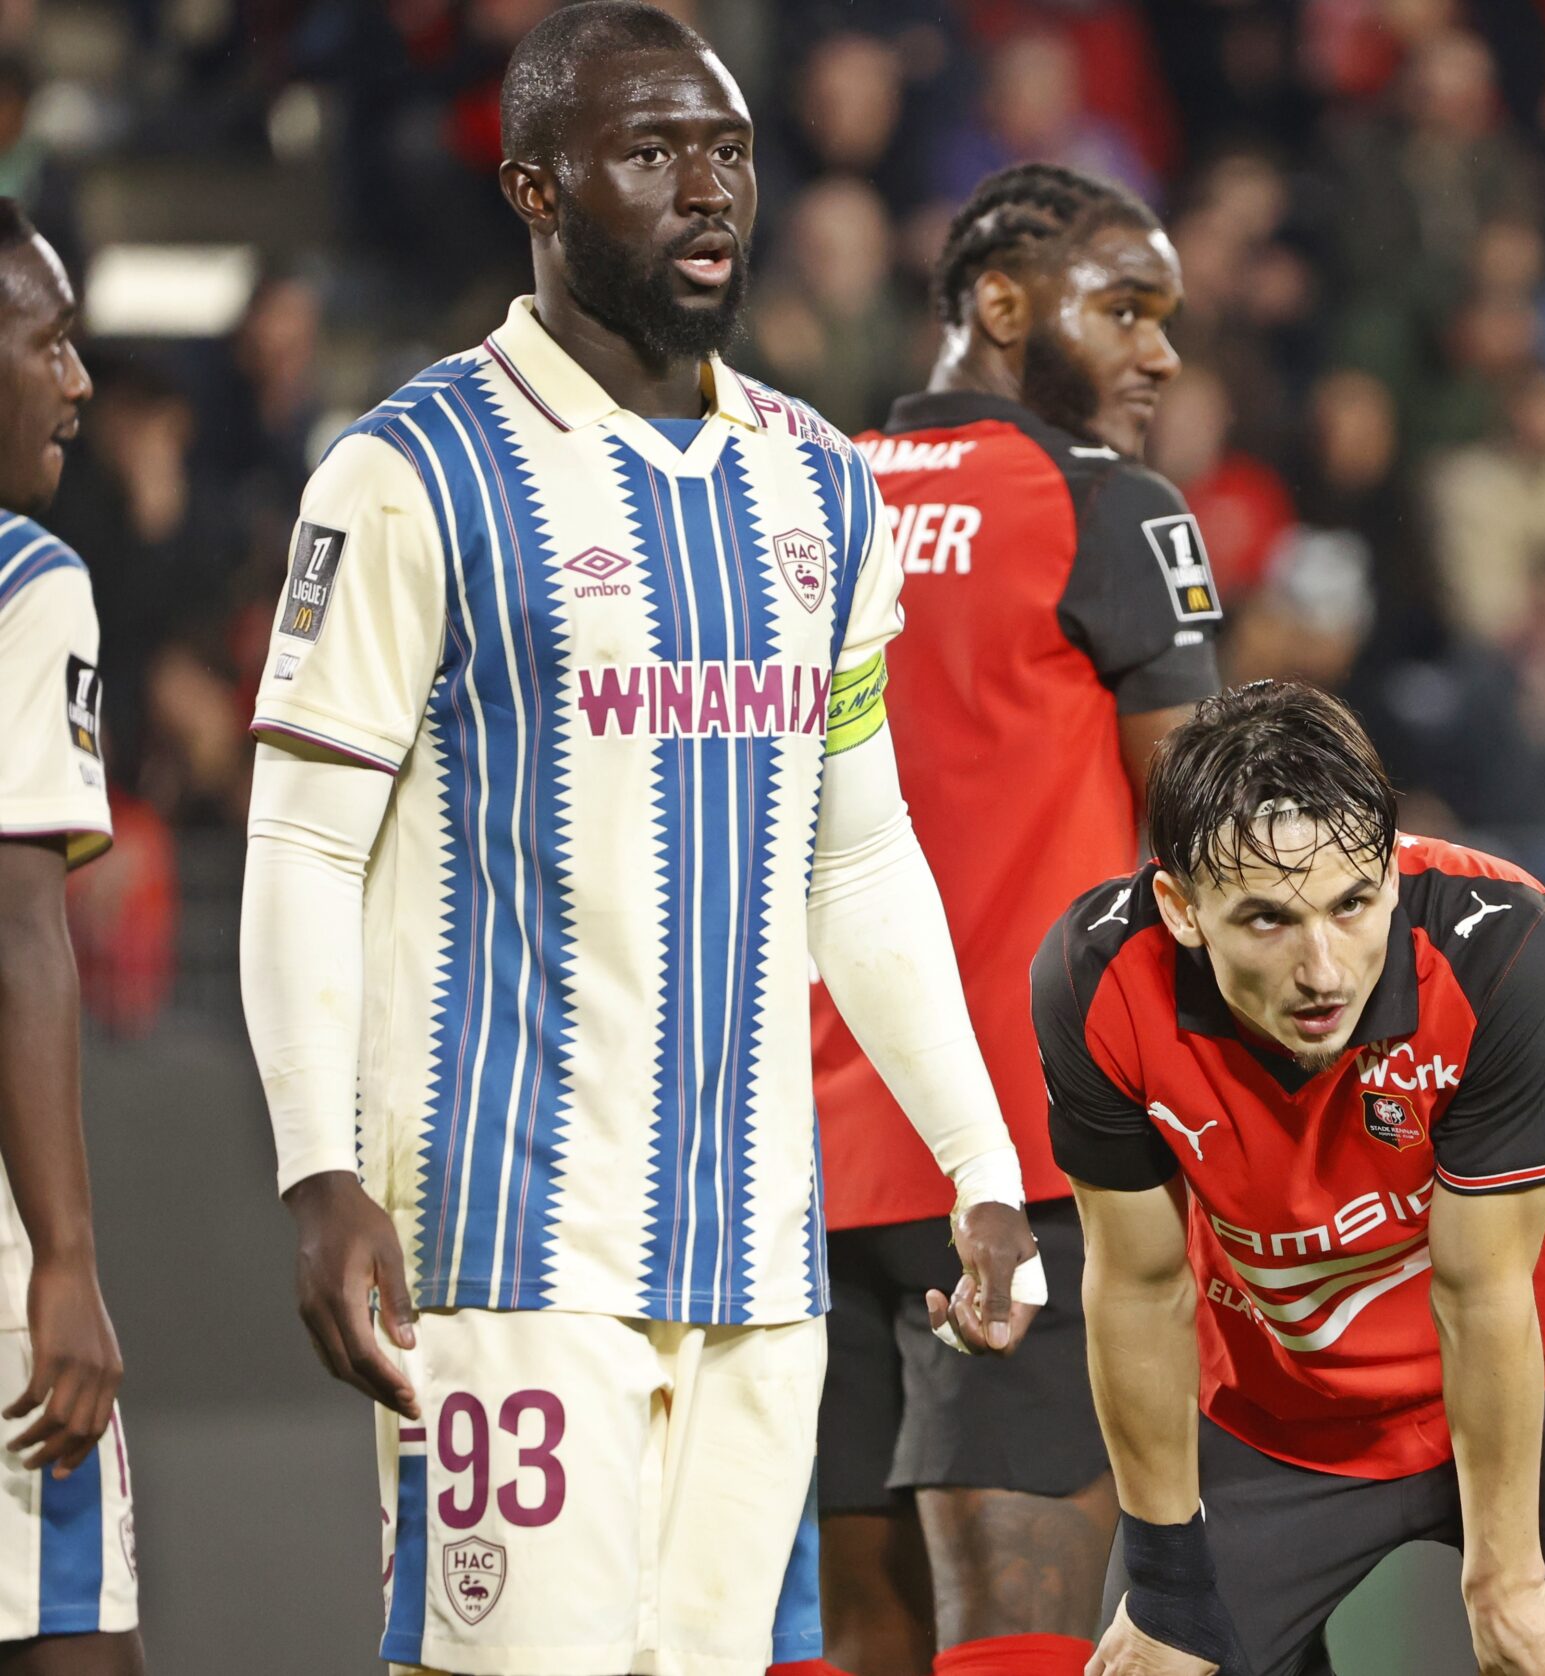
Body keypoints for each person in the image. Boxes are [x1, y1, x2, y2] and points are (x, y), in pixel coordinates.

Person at [232, 8, 1037, 1673]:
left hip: (763, 1252)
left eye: (728, 153)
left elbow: (861, 862)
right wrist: (318, 1166)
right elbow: (304, 843)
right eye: (652, 153)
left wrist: (979, 1163)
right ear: (534, 183)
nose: (705, 191)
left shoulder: (823, 486)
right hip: (506, 1249)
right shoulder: (406, 475)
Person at [1037, 681, 1545, 1676]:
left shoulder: (1499, 940)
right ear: (1180, 906)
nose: (1323, 968)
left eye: (1350, 902)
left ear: (1389, 868)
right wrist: (1165, 1581)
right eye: (1266, 919)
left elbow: (1483, 1289)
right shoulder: (1095, 977)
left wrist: (1503, 1584)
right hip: (1282, 1391)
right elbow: (1136, 1284)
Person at [804, 161, 1223, 1676]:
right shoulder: (1107, 510)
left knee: (858, 1639)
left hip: (810, 1160)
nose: (1159, 352)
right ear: (995, 302)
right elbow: (1211, 839)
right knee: (1026, 1638)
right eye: (1123, 306)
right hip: (1029, 1160)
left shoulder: (804, 500)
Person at [0, 198, 143, 1674]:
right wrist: (63, 1261)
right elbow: (20, 937)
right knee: (73, 1642)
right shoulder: (27, 583)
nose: (78, 381)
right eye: (49, 339)